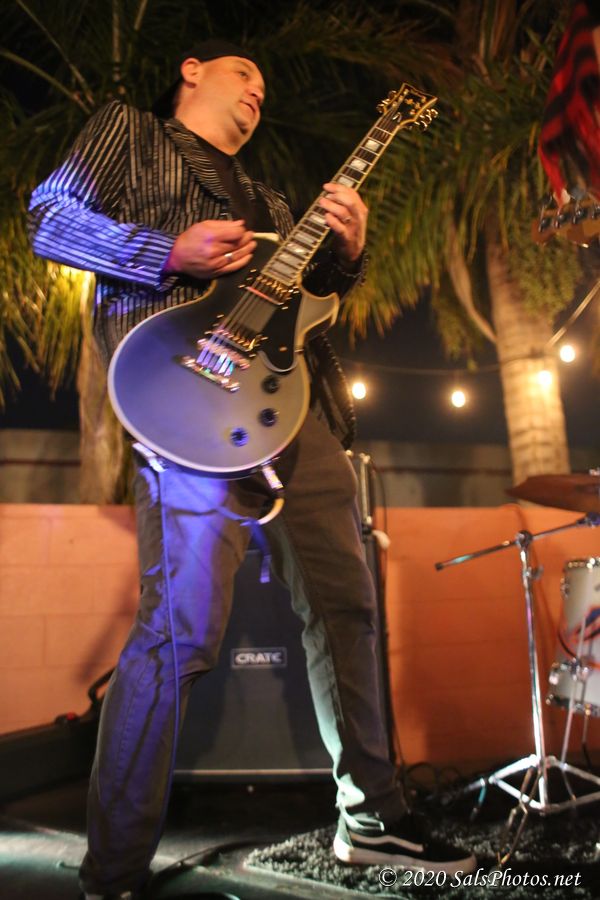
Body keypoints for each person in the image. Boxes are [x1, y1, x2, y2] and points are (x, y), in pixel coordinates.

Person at [28, 40, 475, 900]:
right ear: (191, 69)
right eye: (246, 75)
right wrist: (168, 250)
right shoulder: (131, 132)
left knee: (348, 609)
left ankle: (372, 822)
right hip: (183, 403)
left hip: (292, 413)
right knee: (181, 630)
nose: (260, 92)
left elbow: (312, 303)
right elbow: (49, 219)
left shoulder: (270, 201)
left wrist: (348, 251)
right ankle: (113, 869)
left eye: (267, 87)